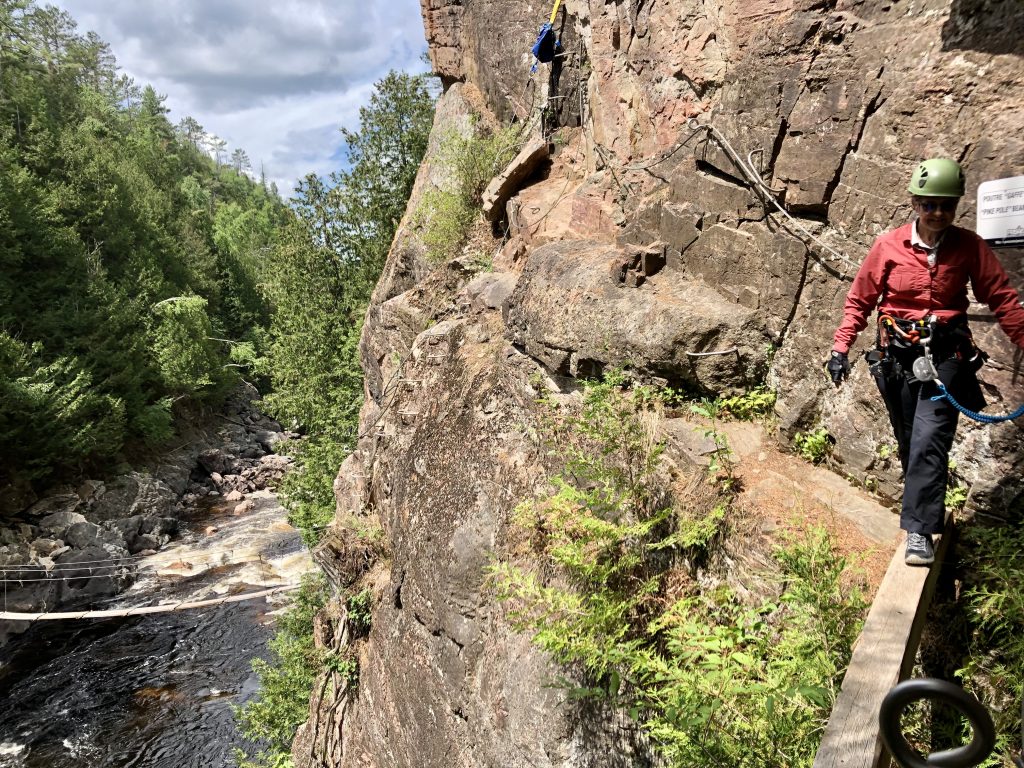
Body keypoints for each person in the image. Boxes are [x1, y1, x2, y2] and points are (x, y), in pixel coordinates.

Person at [828, 158, 1024, 566]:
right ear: (916, 203)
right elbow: (861, 299)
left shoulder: (969, 247)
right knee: (908, 438)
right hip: (897, 357)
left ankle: (919, 531)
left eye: (946, 206)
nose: (937, 213)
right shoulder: (889, 246)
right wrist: (840, 347)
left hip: (946, 357)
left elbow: (1002, 298)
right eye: (929, 205)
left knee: (929, 438)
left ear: (955, 207)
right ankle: (921, 498)